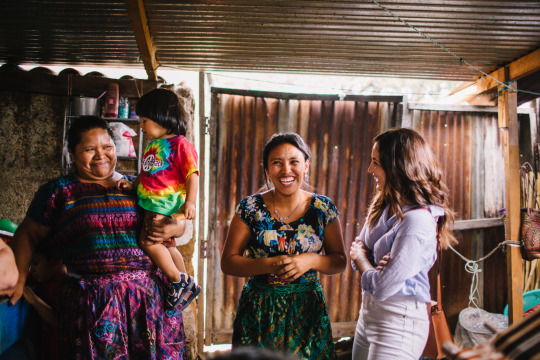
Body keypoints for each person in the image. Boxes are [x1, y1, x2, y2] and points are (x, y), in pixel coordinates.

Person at [5, 116, 188, 359]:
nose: (101, 155)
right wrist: (18, 282)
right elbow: (27, 234)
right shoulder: (58, 192)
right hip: (93, 307)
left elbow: (179, 218)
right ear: (71, 153)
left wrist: (174, 228)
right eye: (89, 149)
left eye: (107, 148)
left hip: (149, 303)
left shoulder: (139, 186)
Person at [221, 132, 347, 359]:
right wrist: (269, 264)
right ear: (267, 169)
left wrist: (312, 260)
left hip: (308, 311)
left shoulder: (322, 208)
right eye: (277, 163)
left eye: (294, 162)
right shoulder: (250, 208)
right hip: (259, 311)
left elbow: (339, 261)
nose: (286, 170)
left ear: (306, 165)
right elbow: (228, 262)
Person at [350, 128, 457, 360]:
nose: (370, 169)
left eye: (376, 162)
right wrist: (368, 261)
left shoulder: (417, 220)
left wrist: (362, 259)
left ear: (397, 167)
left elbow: (381, 286)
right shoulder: (383, 202)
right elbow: (358, 246)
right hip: (368, 313)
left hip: (400, 321)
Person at [117, 88, 201, 310]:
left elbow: (192, 175)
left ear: (162, 116)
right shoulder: (153, 145)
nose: (141, 126)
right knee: (167, 245)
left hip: (163, 204)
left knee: (148, 241)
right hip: (151, 203)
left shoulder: (181, 144)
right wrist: (132, 185)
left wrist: (189, 203)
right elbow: (147, 174)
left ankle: (176, 279)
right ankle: (187, 282)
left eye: (144, 120)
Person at [22, 252, 66, 360]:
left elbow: (58, 320)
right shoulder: (44, 280)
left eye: (35, 263)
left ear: (56, 261)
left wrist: (34, 300)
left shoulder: (68, 288)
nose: (32, 269)